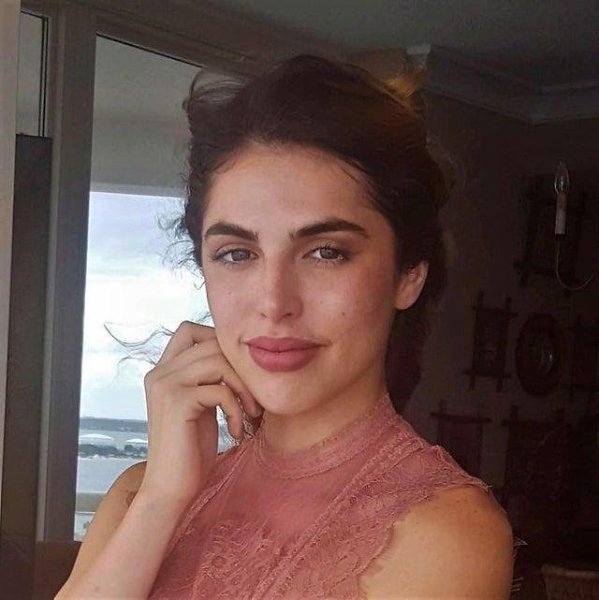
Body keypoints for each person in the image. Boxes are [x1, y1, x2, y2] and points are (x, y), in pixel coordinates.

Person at [57, 55, 514, 599]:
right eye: (236, 253)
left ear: (409, 274)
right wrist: (162, 499)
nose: (274, 303)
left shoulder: (442, 533)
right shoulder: (141, 493)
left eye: (326, 252)